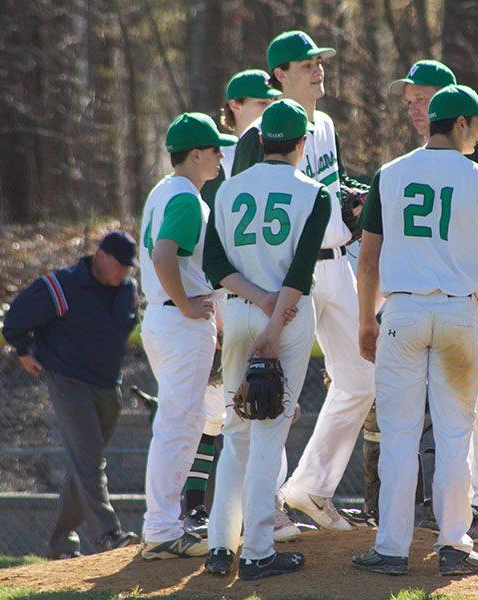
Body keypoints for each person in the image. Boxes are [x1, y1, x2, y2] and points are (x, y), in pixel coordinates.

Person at [355, 60, 478, 544]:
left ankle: (391, 545)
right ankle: (456, 540)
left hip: (402, 313)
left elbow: (369, 261)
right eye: (477, 123)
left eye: (421, 100)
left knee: (402, 433)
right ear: (459, 122)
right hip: (461, 312)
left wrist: (366, 320)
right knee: (458, 432)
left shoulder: (390, 173)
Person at [231, 29, 375, 536]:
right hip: (293, 274)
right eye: (304, 62)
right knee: (279, 393)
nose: (317, 68)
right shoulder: (256, 139)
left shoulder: (327, 124)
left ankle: (311, 488)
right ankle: (264, 507)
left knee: (362, 378)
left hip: (338, 262)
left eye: (319, 60)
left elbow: (328, 189)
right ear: (279, 76)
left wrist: (354, 199)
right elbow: (245, 209)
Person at [203, 99, 331, 580]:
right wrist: (274, 325)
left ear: (258, 141)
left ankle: (220, 544)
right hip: (289, 316)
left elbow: (215, 264)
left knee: (235, 430)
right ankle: (257, 550)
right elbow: (301, 269)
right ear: (301, 144)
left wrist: (257, 300)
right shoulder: (314, 193)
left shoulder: (227, 189)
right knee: (269, 431)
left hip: (238, 311)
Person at [182, 68, 282, 539]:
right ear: (235, 105)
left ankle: (243, 514)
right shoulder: (217, 153)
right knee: (210, 410)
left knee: (239, 411)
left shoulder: (264, 152)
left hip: (243, 292)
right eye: (259, 104)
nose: (266, 112)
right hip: (214, 290)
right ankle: (195, 507)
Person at [2, 231, 141, 560]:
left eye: (129, 267)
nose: (124, 272)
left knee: (84, 464)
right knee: (90, 459)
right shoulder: (61, 285)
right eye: (120, 265)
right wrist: (23, 351)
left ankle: (60, 544)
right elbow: (16, 318)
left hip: (109, 384)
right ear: (101, 255)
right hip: (68, 379)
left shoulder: (127, 290)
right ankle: (108, 534)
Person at [137, 112, 237, 560]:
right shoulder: (184, 196)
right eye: (214, 149)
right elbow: (163, 256)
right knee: (178, 426)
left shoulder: (165, 189)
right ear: (195, 154)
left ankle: (164, 525)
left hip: (164, 319)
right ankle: (161, 529)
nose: (219, 156)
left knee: (181, 423)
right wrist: (186, 303)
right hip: (178, 321)